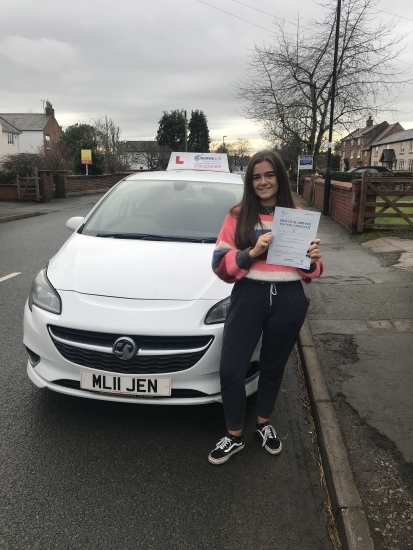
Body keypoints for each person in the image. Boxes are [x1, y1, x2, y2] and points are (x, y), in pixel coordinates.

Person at [209, 150, 323, 465]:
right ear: (250, 181)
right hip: (248, 296)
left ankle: (263, 423)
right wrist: (252, 252)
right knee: (232, 369)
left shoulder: (297, 216)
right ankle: (234, 435)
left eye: (269, 175)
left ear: (279, 178)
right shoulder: (237, 214)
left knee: (273, 367)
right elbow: (219, 264)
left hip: (289, 299)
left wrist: (313, 260)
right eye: (256, 176)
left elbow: (312, 273)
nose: (263, 182)